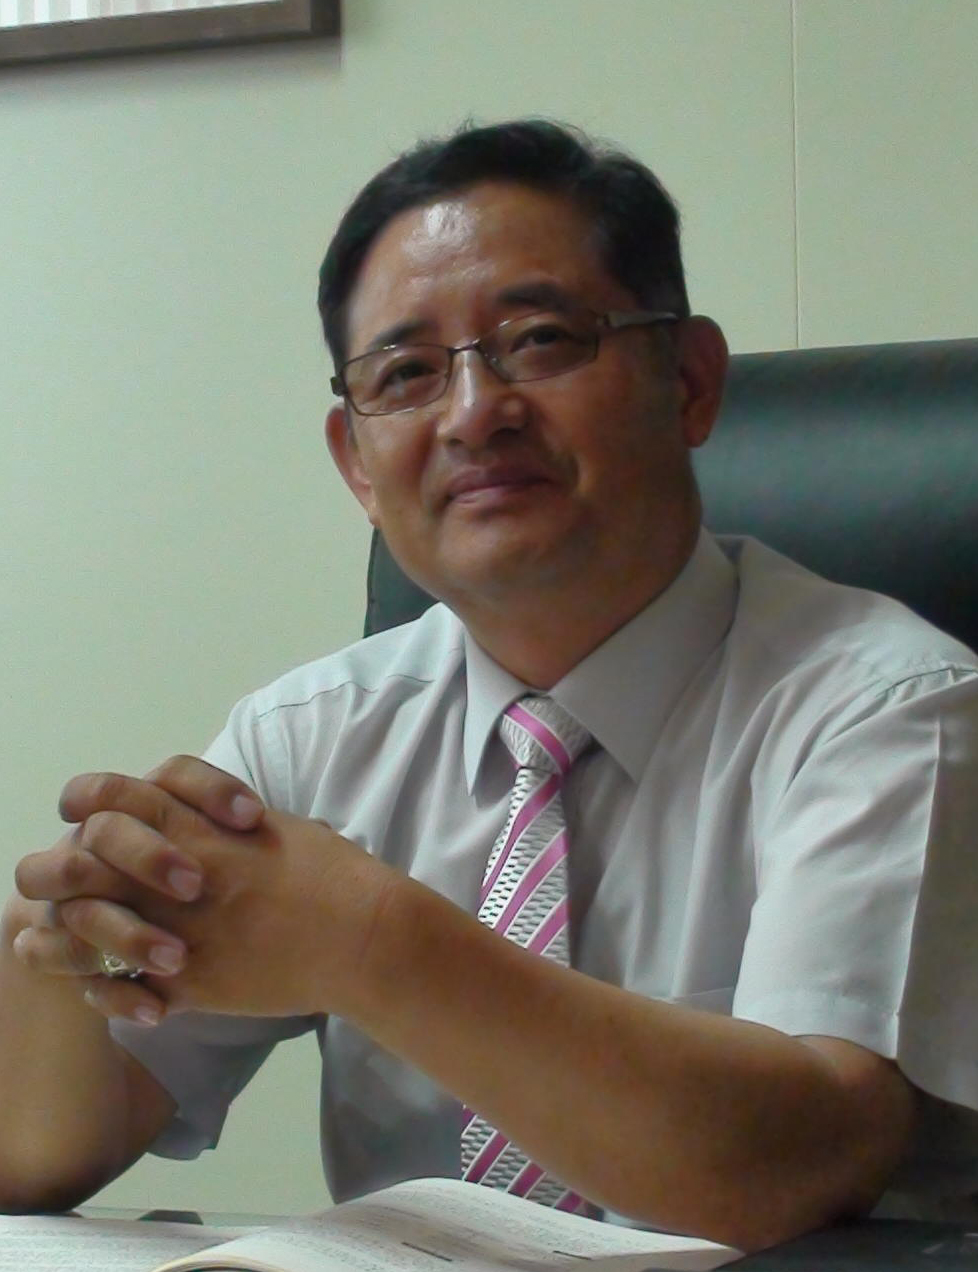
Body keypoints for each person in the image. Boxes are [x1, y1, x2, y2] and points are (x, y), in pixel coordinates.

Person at [2, 119, 978, 1251]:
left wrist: (372, 942)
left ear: (690, 382)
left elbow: (802, 1163)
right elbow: (33, 1157)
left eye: (541, 340)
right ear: (358, 465)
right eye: (408, 374)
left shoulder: (892, 709)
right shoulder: (308, 737)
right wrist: (62, 951)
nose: (474, 412)